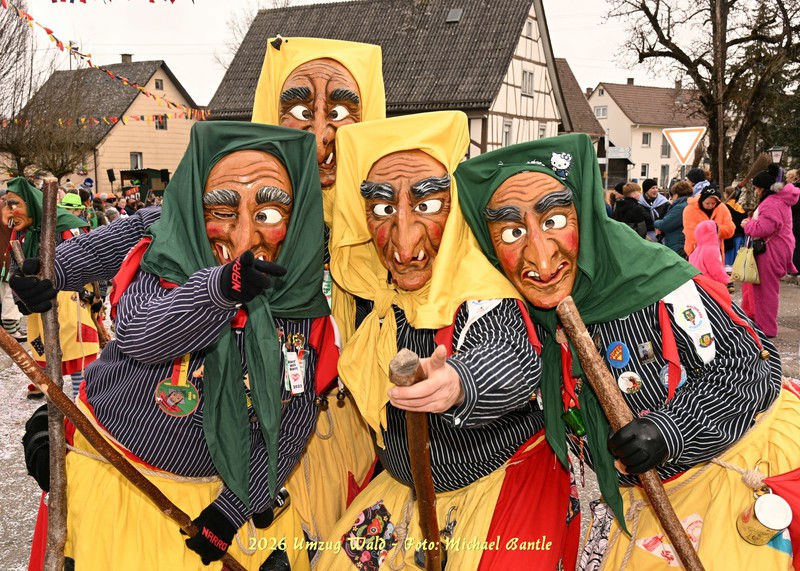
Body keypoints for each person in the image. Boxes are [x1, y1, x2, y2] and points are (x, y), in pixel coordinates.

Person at [15, 36, 388, 557]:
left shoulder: (380, 234)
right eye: (301, 111)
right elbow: (146, 240)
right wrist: (53, 271)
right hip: (150, 449)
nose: (321, 135)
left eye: (343, 115)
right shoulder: (208, 205)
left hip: (293, 447)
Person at [456, 133, 793, 570]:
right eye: (512, 232)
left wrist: (669, 430)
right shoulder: (516, 307)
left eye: (554, 220)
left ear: (585, 214)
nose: (539, 257)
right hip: (640, 503)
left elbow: (749, 369)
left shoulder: (657, 281)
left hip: (729, 476)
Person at [62, 122, 336, 570]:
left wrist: (234, 507)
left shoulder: (300, 301)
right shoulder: (167, 257)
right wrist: (218, 291)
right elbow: (140, 336)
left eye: (269, 215)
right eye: (223, 211)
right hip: (117, 478)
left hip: (210, 493)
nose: (244, 239)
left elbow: (294, 417)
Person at [317, 111, 579, 570]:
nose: (403, 242)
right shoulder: (371, 296)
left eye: (427, 205)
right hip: (406, 490)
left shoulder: (480, 289)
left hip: (497, 483)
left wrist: (460, 381)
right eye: (382, 209)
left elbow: (513, 356)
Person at [6, 179, 99, 400]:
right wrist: (21, 298)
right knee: (44, 346)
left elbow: (92, 258)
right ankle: (51, 394)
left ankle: (79, 398)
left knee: (75, 347)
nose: (11, 211)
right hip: (38, 300)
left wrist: (97, 294)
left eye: (15, 204)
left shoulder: (68, 224)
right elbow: (15, 266)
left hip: (69, 297)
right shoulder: (22, 231)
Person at [740, 168, 800, 338]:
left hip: (770, 250)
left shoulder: (771, 202)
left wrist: (747, 225)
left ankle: (765, 329)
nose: (756, 191)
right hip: (778, 248)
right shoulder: (780, 200)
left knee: (766, 292)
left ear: (764, 189)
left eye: (757, 188)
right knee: (767, 290)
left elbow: (764, 228)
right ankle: (762, 325)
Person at [682, 184, 735, 257]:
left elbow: (730, 229)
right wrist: (711, 233)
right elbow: (690, 232)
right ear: (701, 200)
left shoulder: (722, 207)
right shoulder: (690, 209)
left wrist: (716, 229)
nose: (710, 206)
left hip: (716, 252)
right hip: (695, 251)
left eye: (713, 203)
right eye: (707, 203)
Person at [654, 180, 692, 257]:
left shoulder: (680, 207)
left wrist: (656, 223)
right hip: (684, 243)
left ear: (676, 195)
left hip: (678, 244)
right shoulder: (690, 204)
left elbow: (665, 224)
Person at [689, 219, 730, 286]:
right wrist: (726, 280)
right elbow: (715, 269)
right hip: (710, 284)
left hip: (699, 283)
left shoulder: (698, 248)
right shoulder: (711, 249)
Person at [723, 185, 747, 269]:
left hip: (729, 237)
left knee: (728, 264)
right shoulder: (740, 207)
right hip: (739, 236)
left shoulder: (725, 207)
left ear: (726, 194)